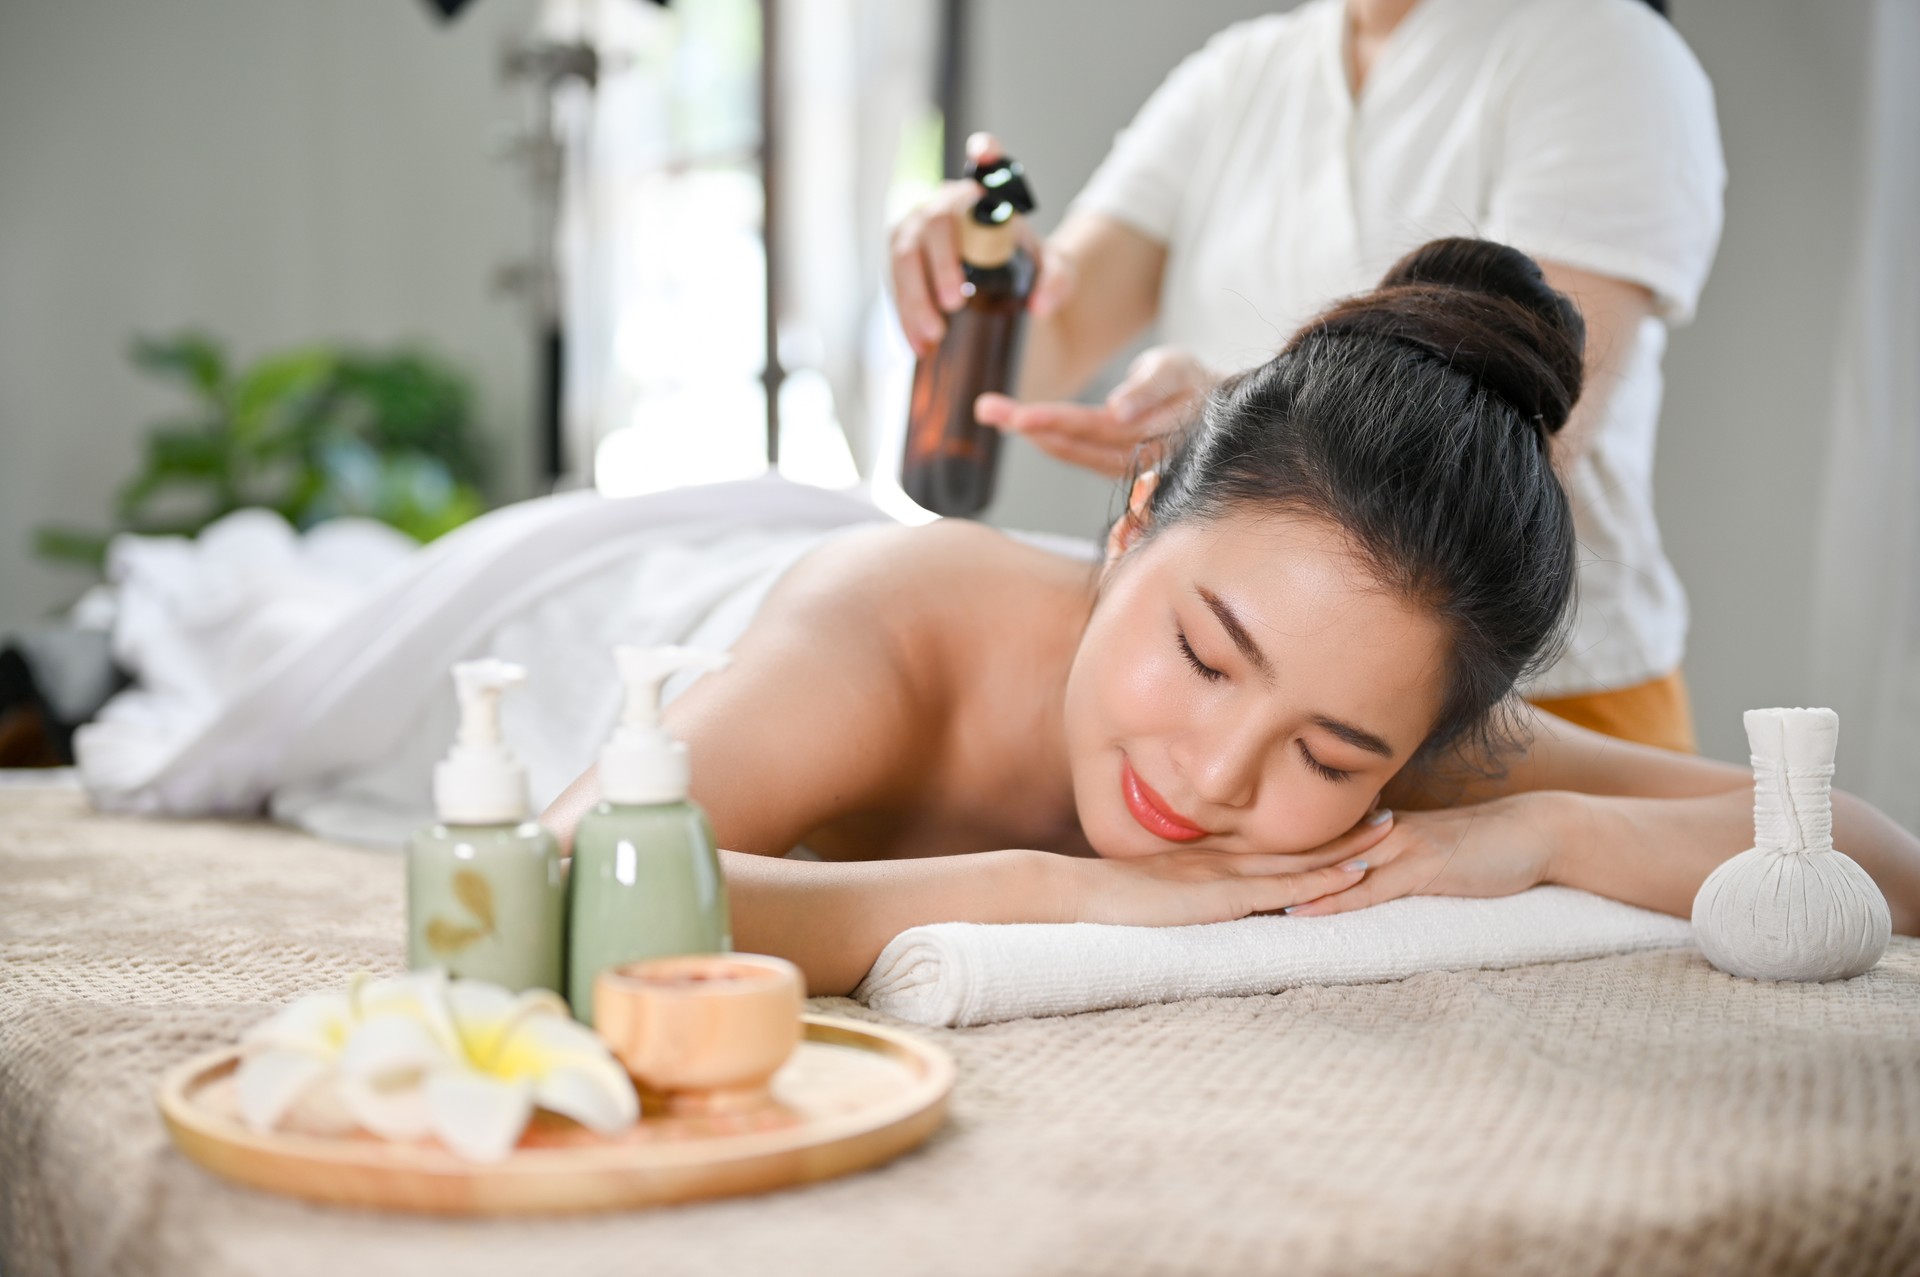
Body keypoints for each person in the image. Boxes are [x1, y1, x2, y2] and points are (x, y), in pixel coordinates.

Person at [546, 240, 1920, 995]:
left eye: (1328, 759)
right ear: (1137, 517)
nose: (1213, 776)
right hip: (631, 608)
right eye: (1205, 655)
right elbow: (568, 880)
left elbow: (1872, 857)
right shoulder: (904, 617)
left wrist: (1538, 829)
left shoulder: (1391, 698)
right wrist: (1062, 895)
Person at [889, 0, 1724, 754]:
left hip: (1541, 714)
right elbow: (1053, 327)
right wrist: (976, 272)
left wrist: (1225, 414)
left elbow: (1518, 435)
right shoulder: (1241, 72)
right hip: (1253, 708)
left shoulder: (1603, 49)